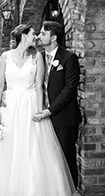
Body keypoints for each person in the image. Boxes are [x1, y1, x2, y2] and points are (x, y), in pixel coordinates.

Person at [0, 24, 75, 196]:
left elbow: (39, 86)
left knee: (33, 148)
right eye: (33, 33)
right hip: (11, 106)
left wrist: (39, 110)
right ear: (23, 36)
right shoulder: (5, 57)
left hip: (30, 104)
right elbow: (0, 85)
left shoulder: (37, 56)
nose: (36, 36)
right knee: (12, 147)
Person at [33, 20, 82, 188]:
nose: (39, 36)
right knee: (48, 159)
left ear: (53, 37)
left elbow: (70, 89)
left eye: (43, 33)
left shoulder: (69, 58)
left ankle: (70, 190)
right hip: (43, 116)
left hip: (64, 118)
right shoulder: (38, 57)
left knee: (65, 158)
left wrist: (50, 111)